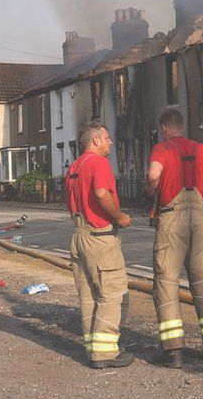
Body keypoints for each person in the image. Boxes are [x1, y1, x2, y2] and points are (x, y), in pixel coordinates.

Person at [145, 106, 203, 368]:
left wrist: (150, 190)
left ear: (164, 128)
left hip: (171, 218)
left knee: (166, 283)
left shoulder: (161, 149)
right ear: (182, 126)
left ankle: (173, 352)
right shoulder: (199, 148)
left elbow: (153, 175)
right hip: (198, 218)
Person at [65, 121, 134, 369]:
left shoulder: (74, 166)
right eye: (106, 138)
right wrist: (119, 217)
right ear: (95, 140)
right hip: (99, 236)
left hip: (78, 235)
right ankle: (104, 353)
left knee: (88, 296)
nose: (110, 142)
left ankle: (93, 346)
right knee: (112, 294)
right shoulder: (98, 163)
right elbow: (102, 193)